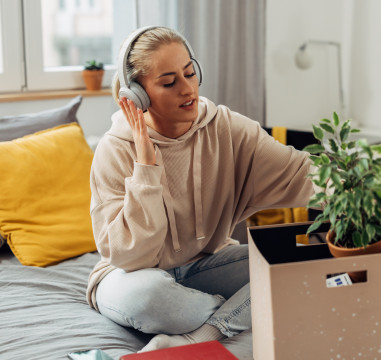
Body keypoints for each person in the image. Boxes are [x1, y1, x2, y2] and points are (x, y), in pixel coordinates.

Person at [86, 26, 314, 352]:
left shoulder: (226, 127)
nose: (187, 88)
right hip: (131, 277)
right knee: (151, 300)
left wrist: (360, 195)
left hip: (205, 264)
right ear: (137, 94)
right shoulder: (115, 150)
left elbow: (300, 173)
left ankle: (203, 334)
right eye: (169, 82)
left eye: (190, 72)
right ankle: (248, 310)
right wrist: (146, 168)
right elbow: (129, 255)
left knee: (296, 262)